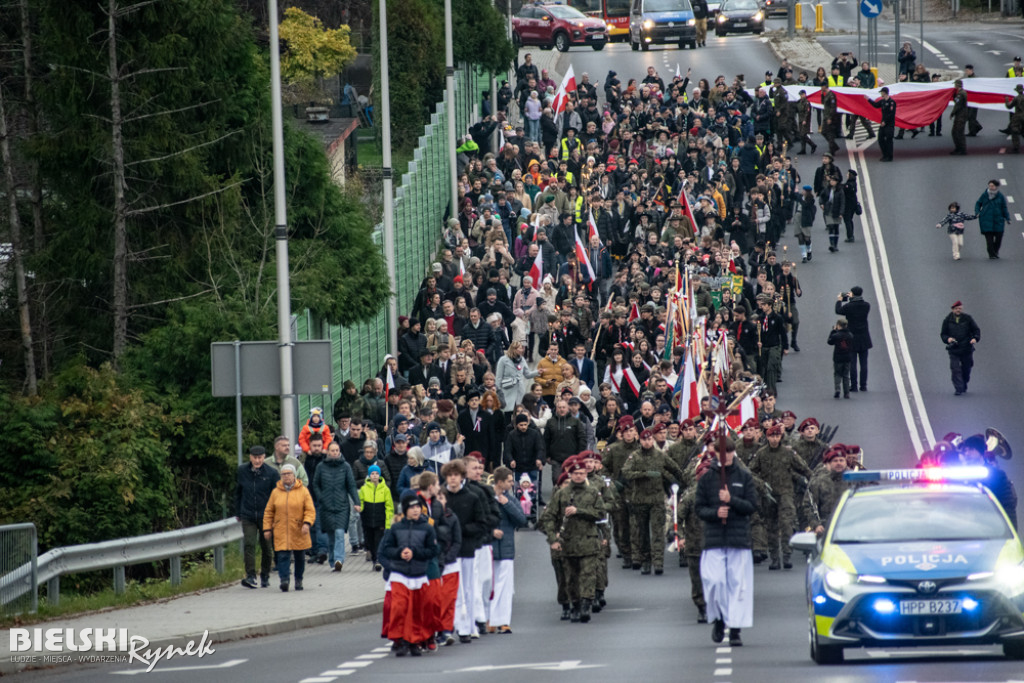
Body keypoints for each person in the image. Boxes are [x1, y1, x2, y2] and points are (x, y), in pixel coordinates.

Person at [696, 438, 758, 647]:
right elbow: (699, 508)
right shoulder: (706, 479)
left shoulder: (744, 476)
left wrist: (732, 500)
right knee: (714, 582)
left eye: (730, 452)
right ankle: (720, 618)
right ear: (715, 454)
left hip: (737, 539)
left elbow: (751, 505)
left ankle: (736, 630)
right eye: (723, 452)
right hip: (714, 539)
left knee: (737, 585)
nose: (727, 456)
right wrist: (715, 512)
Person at [539, 458, 606, 624]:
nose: (578, 476)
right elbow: (548, 517)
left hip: (588, 541)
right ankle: (575, 605)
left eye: (582, 473)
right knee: (571, 578)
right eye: (575, 473)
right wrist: (553, 539)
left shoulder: (593, 493)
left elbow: (601, 514)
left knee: (588, 575)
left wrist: (580, 511)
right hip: (567, 543)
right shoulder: (562, 494)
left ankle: (585, 606)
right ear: (570, 474)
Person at [381, 491, 439, 657]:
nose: (415, 510)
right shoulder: (396, 528)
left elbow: (433, 550)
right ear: (405, 509)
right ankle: (399, 639)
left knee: (417, 609)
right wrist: (400, 552)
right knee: (399, 607)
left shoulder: (427, 528)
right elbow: (387, 549)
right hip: (399, 573)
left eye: (417, 507)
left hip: (418, 573)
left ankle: (414, 641)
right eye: (412, 507)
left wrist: (415, 552)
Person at [749, 424, 812, 571]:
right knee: (771, 527)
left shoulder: (788, 453)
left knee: (786, 524)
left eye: (777, 436)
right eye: (772, 436)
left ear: (781, 437)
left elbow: (804, 469)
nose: (775, 439)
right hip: (768, 495)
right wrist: (760, 485)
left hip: (786, 493)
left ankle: (787, 556)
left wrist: (811, 483)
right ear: (767, 437)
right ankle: (775, 558)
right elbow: (750, 472)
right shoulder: (761, 454)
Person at [622, 428, 681, 575]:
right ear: (640, 441)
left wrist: (678, 482)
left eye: (649, 440)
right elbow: (626, 473)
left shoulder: (660, 455)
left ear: (652, 440)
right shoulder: (634, 456)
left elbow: (675, 468)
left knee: (657, 532)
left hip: (657, 499)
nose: (647, 442)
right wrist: (643, 474)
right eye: (644, 440)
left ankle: (658, 562)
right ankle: (646, 562)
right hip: (640, 500)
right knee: (642, 533)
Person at [263, 463, 316, 592]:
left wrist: (307, 523)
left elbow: (310, 510)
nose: (286, 476)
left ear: (294, 475)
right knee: (282, 556)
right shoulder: (275, 492)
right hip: (281, 530)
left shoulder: (303, 491)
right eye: (284, 474)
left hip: (298, 529)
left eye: (289, 474)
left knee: (299, 557)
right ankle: (284, 580)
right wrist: (267, 528)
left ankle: (299, 579)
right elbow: (269, 511)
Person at [489, 467, 527, 634]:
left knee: (505, 586)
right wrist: (491, 532)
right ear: (500, 482)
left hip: (506, 548)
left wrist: (507, 504)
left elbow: (521, 520)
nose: (512, 483)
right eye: (510, 481)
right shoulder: (487, 499)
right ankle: (489, 618)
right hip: (488, 548)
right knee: (489, 585)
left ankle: (503, 621)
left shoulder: (511, 499)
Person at [236, 445, 280, 589]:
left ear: (264, 457)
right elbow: (238, 492)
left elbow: (276, 496)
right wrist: (238, 512)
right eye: (254, 457)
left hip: (266, 515)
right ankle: (250, 575)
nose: (257, 460)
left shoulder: (272, 473)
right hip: (248, 514)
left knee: (266, 546)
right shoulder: (242, 471)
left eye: (260, 457)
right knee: (249, 544)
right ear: (250, 457)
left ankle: (265, 575)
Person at [313, 441, 361, 572]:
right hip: (326, 506)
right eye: (332, 450)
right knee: (331, 536)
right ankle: (333, 561)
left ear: (339, 451)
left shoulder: (345, 466)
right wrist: (320, 497)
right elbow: (315, 484)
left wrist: (357, 502)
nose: (334, 452)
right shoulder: (321, 467)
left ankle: (339, 560)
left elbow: (351, 485)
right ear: (328, 452)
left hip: (342, 506)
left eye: (336, 450)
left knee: (340, 533)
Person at [835, 286, 872, 392]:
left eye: (850, 293)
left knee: (852, 363)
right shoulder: (866, 305)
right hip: (864, 337)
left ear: (853, 294)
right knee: (864, 363)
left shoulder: (848, 306)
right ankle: (863, 385)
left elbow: (838, 311)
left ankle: (854, 385)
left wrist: (839, 300)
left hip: (852, 337)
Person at [359, 464, 395, 570]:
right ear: (369, 476)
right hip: (367, 520)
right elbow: (360, 502)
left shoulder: (385, 489)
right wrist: (359, 508)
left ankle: (379, 560)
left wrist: (388, 521)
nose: (374, 476)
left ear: (379, 475)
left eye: (376, 474)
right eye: (372, 474)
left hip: (380, 520)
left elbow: (389, 506)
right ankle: (375, 559)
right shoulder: (364, 489)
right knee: (370, 541)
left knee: (378, 540)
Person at [940, 301, 980, 396]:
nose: (958, 310)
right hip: (954, 349)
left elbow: (976, 330)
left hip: (966, 348)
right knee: (955, 369)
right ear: (953, 309)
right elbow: (943, 334)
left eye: (960, 308)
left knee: (967, 368)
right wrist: (948, 339)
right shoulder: (947, 320)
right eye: (957, 309)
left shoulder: (968, 319)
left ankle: (964, 382)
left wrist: (975, 338)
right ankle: (958, 388)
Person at [975, 179, 1010, 260]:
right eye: (990, 185)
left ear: (996, 187)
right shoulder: (984, 195)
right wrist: (977, 212)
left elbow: (1004, 207)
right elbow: (978, 203)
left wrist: (1007, 218)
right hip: (986, 220)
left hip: (998, 220)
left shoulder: (1000, 196)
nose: (991, 187)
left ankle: (995, 251)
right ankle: (991, 254)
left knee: (999, 238)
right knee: (989, 239)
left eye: (992, 186)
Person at [868, 86, 897, 162]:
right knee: (880, 139)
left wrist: (885, 121)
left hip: (889, 124)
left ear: (885, 93)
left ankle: (889, 156)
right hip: (883, 124)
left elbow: (891, 114)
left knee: (889, 140)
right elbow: (875, 105)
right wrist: (868, 99)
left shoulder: (892, 102)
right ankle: (884, 154)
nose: (881, 94)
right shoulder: (882, 101)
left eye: (881, 92)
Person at [827, 318, 854, 399]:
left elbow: (830, 342)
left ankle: (837, 389)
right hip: (847, 357)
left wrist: (833, 331)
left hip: (838, 358)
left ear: (838, 326)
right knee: (846, 375)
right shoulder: (850, 335)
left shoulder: (836, 335)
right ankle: (847, 393)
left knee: (837, 374)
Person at [949, 80, 969, 155]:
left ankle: (962, 149)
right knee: (955, 132)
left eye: (955, 85)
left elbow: (958, 105)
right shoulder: (961, 93)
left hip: (961, 116)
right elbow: (957, 101)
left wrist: (952, 113)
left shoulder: (961, 94)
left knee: (958, 132)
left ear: (957, 85)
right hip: (960, 115)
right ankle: (958, 148)